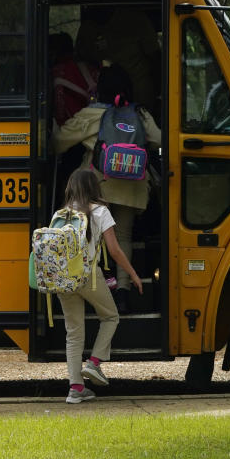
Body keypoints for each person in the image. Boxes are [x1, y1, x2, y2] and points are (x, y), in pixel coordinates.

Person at [51, 64, 160, 313]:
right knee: (122, 238)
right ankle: (122, 292)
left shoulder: (91, 114)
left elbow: (58, 143)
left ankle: (93, 290)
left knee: (90, 238)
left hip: (97, 186)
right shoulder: (140, 114)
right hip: (132, 186)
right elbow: (160, 139)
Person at [56, 169, 143, 403]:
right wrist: (132, 274)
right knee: (111, 317)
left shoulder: (61, 214)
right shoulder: (100, 211)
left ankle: (75, 388)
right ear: (94, 187)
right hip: (87, 275)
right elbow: (114, 250)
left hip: (63, 277)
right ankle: (94, 363)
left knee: (73, 333)